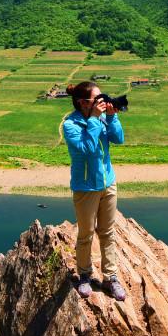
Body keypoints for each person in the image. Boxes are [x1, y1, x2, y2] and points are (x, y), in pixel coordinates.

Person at [62, 81, 126, 301]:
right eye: (96, 99)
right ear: (82, 102)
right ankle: (85, 275)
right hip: (86, 187)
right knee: (86, 234)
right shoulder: (70, 125)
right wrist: (93, 121)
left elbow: (119, 139)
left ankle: (110, 278)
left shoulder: (100, 118)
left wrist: (111, 117)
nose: (101, 102)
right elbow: (87, 149)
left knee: (107, 233)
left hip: (108, 184)